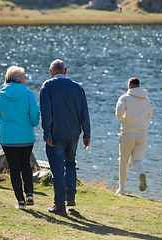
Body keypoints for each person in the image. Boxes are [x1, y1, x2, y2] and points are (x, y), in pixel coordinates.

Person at [40, 59, 90, 216]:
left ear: (51, 71)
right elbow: (84, 113)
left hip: (56, 135)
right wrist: (87, 134)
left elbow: (46, 112)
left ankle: (60, 206)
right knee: (70, 164)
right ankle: (71, 197)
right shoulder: (78, 87)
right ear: (65, 71)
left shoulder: (47, 86)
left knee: (57, 170)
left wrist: (47, 132)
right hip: (74, 134)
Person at [0, 66, 40, 210]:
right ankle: (29, 194)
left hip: (7, 137)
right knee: (26, 165)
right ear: (19, 78)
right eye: (24, 77)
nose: (26, 79)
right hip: (26, 135)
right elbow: (35, 114)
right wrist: (34, 123)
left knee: (13, 169)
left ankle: (20, 201)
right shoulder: (28, 94)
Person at [115, 77, 152, 196]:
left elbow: (119, 113)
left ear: (129, 86)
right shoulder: (146, 99)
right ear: (139, 86)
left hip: (128, 133)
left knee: (124, 160)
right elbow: (149, 116)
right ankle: (141, 173)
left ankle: (122, 189)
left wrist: (122, 116)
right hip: (142, 133)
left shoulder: (125, 97)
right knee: (137, 159)